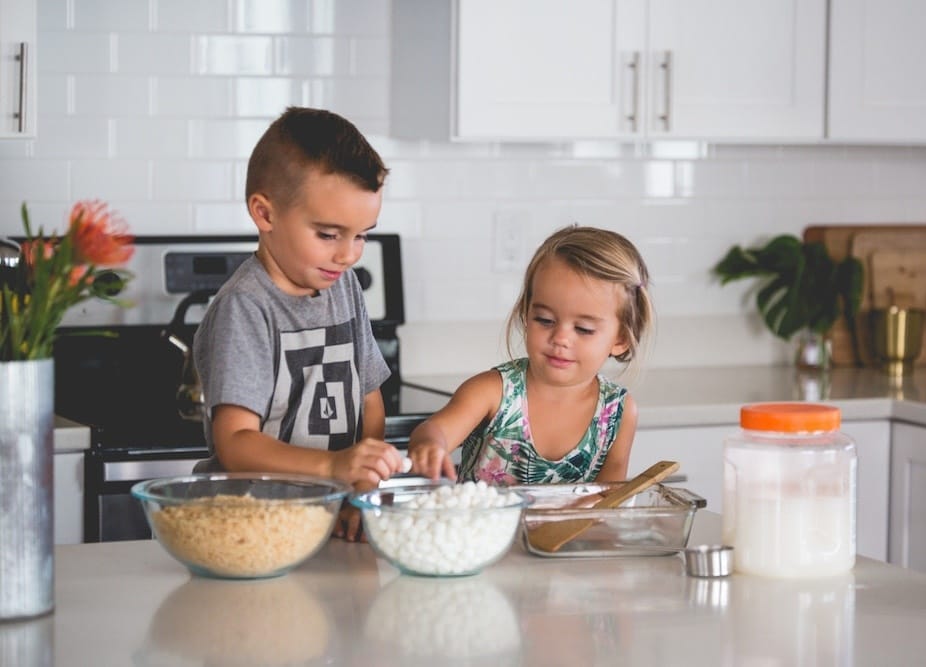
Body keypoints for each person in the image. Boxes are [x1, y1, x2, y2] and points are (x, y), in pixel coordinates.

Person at [193, 107, 406, 539]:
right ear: (265, 214)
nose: (348, 255)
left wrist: (360, 490)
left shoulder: (343, 287)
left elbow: (370, 401)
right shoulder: (246, 307)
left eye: (362, 234)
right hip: (251, 531)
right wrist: (333, 467)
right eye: (328, 235)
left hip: (326, 525)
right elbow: (235, 442)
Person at [407, 225, 653, 484]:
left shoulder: (618, 412)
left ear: (621, 338)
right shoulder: (493, 392)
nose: (561, 338)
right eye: (545, 320)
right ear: (526, 314)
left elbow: (609, 500)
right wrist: (430, 444)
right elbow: (435, 430)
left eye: (583, 329)